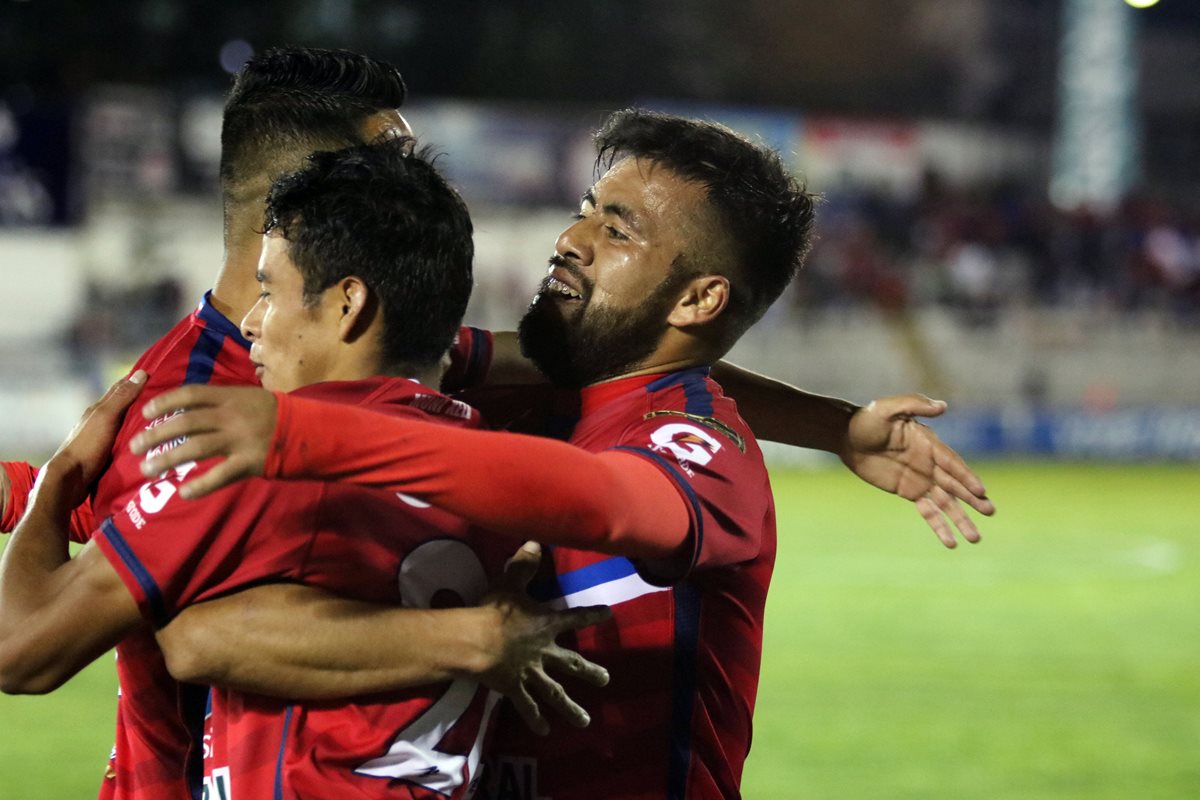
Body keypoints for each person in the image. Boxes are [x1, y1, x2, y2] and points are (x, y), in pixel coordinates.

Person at [130, 109, 995, 799]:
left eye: (616, 231)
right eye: (584, 209)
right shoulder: (525, 388)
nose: (569, 239)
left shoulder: (706, 452)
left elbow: (612, 501)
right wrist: (834, 424)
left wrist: (307, 436)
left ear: (699, 296)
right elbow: (363, 348)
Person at [0, 47, 606, 800]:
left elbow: (86, 638)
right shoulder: (197, 406)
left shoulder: (343, 383)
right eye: (397, 157)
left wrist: (48, 484)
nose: (415, 183)